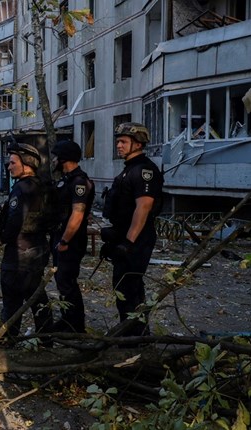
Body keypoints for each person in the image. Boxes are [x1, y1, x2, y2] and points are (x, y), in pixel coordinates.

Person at [102, 122, 163, 337]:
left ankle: (134, 337)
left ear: (137, 144)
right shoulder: (129, 170)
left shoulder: (143, 170)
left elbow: (143, 208)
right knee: (124, 287)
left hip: (137, 239)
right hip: (126, 236)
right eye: (118, 141)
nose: (118, 145)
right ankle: (133, 333)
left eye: (123, 142)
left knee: (130, 288)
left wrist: (128, 242)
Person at [0, 142, 52, 344]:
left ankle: (7, 342)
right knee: (37, 296)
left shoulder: (21, 189)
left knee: (12, 301)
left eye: (12, 162)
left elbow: (14, 222)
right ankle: (47, 340)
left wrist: (1, 235)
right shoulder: (43, 186)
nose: (9, 167)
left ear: (27, 164)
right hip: (39, 248)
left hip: (19, 252)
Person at [50, 140, 95, 333]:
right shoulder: (67, 179)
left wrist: (65, 241)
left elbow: (77, 214)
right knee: (62, 281)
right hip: (60, 237)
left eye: (55, 157)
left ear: (63, 158)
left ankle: (75, 325)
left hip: (70, 241)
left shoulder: (79, 182)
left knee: (67, 282)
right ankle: (68, 319)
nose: (52, 161)